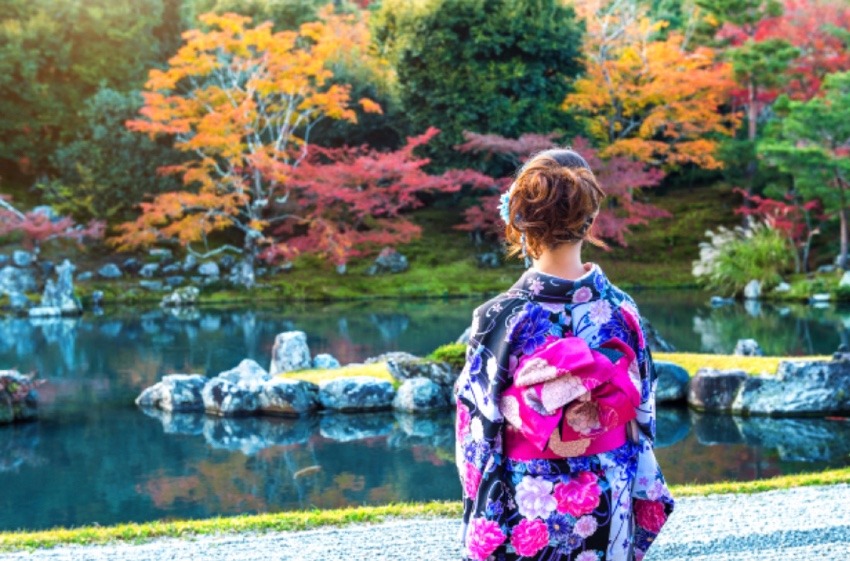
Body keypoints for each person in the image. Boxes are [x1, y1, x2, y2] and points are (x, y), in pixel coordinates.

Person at [453, 149, 674, 561]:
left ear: (520, 222)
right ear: (589, 219)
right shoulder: (622, 310)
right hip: (610, 486)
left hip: (530, 498)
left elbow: (476, 433)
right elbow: (643, 413)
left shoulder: (500, 317)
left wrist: (478, 506)